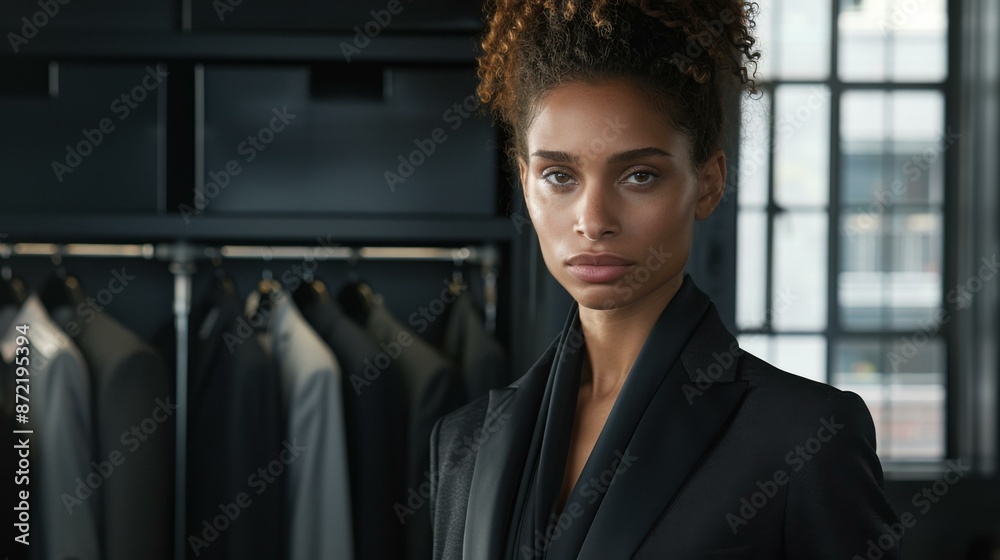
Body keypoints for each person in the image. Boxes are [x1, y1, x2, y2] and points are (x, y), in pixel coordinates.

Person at [428, 0, 902, 558]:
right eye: (559, 175)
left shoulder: (805, 439)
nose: (593, 221)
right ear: (525, 182)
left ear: (707, 184)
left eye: (639, 175)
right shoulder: (464, 442)